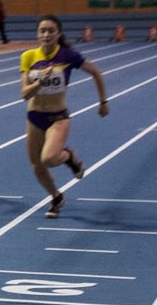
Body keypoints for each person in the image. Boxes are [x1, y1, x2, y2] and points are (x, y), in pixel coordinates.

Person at [21, 15, 109, 219]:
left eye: (51, 30)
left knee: (50, 158)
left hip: (58, 116)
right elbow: (24, 93)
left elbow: (96, 72)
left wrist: (103, 102)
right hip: (34, 116)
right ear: (37, 34)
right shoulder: (28, 57)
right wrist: (40, 82)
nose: (46, 34)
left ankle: (69, 157)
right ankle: (56, 197)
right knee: (37, 166)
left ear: (58, 33)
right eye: (42, 30)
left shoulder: (68, 55)